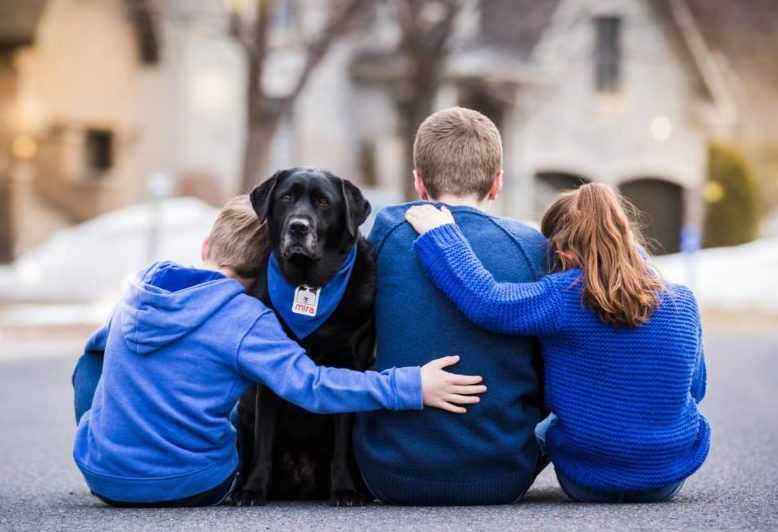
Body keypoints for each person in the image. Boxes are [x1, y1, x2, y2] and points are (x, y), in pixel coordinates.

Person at [71, 195, 486, 508]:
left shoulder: (141, 291)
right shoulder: (247, 317)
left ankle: (116, 447)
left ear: (204, 247)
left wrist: (111, 433)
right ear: (265, 272)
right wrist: (410, 384)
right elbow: (313, 386)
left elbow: (89, 364)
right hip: (192, 484)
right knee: (237, 407)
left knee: (107, 364)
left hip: (100, 474)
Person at [405, 182, 710, 503]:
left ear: (564, 254)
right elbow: (696, 389)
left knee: (544, 426)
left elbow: (487, 299)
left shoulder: (565, 296)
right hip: (666, 478)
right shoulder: (683, 302)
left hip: (587, 481)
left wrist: (441, 235)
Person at [353, 107, 548, 505]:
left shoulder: (388, 231)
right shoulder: (532, 249)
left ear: (419, 183)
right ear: (497, 184)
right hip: (501, 476)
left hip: (388, 473)